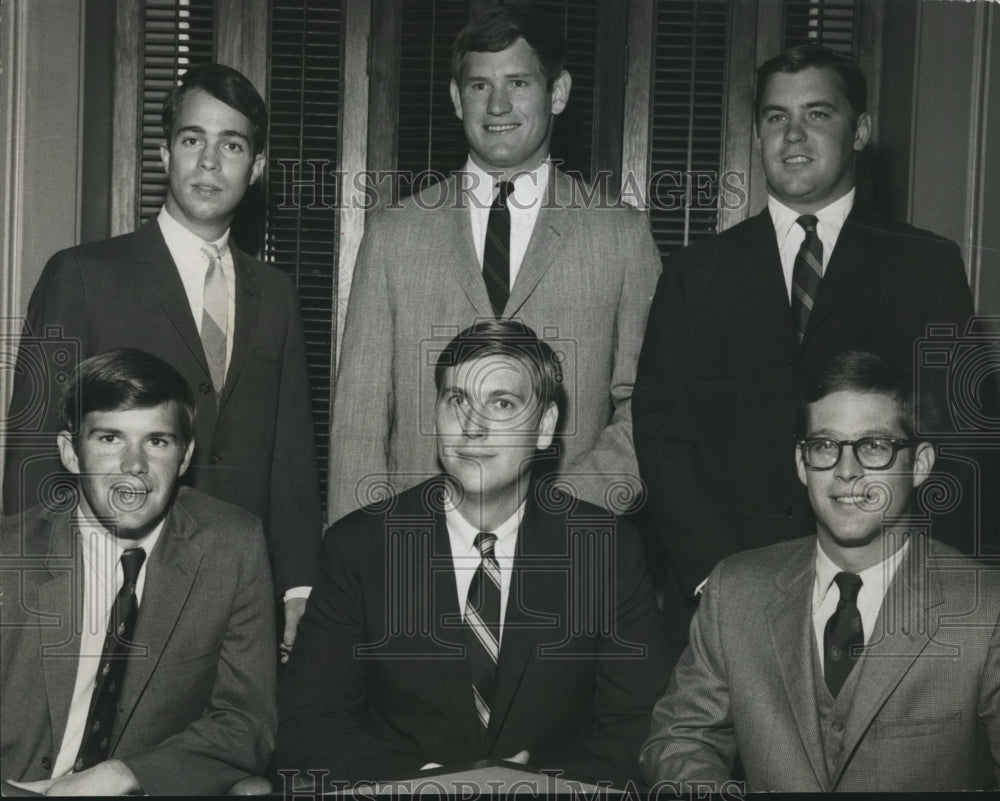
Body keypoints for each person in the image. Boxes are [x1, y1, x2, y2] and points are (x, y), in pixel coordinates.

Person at [633, 44, 974, 624]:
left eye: (817, 114)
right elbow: (662, 436)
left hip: (885, 588)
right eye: (776, 117)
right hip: (727, 586)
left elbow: (958, 435)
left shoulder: (926, 265)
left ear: (860, 129)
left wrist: (911, 579)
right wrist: (716, 577)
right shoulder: (696, 272)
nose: (793, 135)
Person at [3, 63, 321, 653]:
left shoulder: (275, 294)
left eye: (232, 144)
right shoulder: (82, 275)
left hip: (235, 588)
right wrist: (30, 585)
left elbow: (292, 455)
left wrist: (298, 584)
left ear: (256, 169)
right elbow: (34, 442)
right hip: (106, 578)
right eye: (192, 139)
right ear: (163, 154)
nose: (209, 161)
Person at [276, 320, 668, 789]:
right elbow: (306, 723)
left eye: (502, 403)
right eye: (457, 400)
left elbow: (642, 725)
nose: (472, 426)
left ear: (544, 427)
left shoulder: (604, 550)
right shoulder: (362, 546)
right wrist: (437, 784)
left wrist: (536, 785)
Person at [329, 6, 662, 524]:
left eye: (519, 82)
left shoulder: (620, 236)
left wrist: (569, 510)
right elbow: (359, 421)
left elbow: (650, 409)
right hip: (418, 549)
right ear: (457, 99)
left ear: (558, 92)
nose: (498, 104)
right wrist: (357, 562)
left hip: (568, 551)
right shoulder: (394, 234)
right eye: (480, 85)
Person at [639, 351, 1000, 792]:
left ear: (920, 464)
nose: (846, 472)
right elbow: (679, 740)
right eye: (825, 446)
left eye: (874, 446)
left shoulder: (986, 610)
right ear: (801, 463)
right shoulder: (735, 591)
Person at [0, 349, 276, 796]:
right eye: (110, 439)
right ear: (71, 454)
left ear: (184, 458)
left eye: (157, 441)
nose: (134, 465)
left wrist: (121, 775)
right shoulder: (9, 556)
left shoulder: (231, 546)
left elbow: (246, 724)